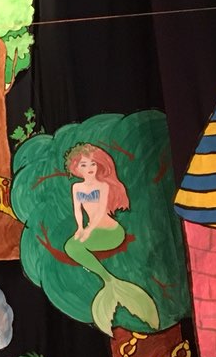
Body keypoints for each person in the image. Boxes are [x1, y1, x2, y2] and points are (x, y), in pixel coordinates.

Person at [62, 143, 158, 335]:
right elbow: (78, 211)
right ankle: (109, 280)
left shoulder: (103, 186)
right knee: (70, 246)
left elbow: (99, 213)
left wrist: (88, 230)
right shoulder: (76, 187)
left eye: (92, 164)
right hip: (91, 231)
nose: (89, 168)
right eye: (83, 165)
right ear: (75, 168)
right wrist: (80, 228)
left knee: (74, 246)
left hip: (111, 232)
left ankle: (110, 281)